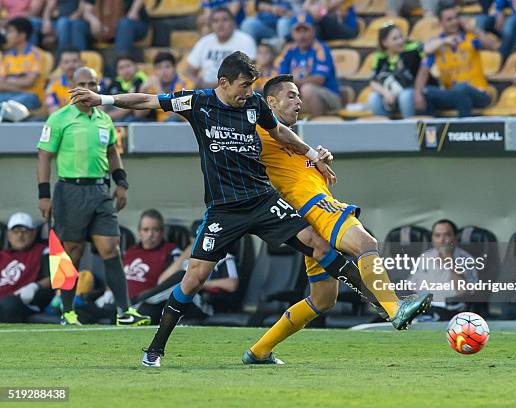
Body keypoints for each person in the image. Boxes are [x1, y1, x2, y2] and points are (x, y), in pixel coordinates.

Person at [69, 51, 432, 367]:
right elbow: (148, 101)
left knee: (319, 246)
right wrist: (102, 98)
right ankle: (155, 348)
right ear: (223, 82)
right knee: (193, 279)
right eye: (244, 85)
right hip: (224, 210)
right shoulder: (197, 102)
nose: (248, 92)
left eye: (252, 85)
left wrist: (311, 154)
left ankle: (384, 304)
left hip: (262, 201)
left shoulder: (256, 106)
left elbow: (281, 134)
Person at [243, 74, 433, 364]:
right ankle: (395, 309)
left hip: (308, 219)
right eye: (291, 95)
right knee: (366, 243)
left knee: (323, 299)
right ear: (271, 102)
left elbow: (294, 167)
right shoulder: (263, 131)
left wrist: (319, 161)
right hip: (317, 208)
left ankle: (259, 351)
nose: (298, 100)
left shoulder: (291, 140)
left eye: (298, 96)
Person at [37, 66, 149, 326]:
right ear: (72, 87)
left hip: (100, 190)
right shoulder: (59, 119)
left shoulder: (104, 119)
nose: (88, 88)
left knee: (111, 248)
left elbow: (112, 152)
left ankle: (124, 312)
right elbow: (44, 156)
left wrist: (121, 183)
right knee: (71, 252)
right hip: (70, 189)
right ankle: (67, 311)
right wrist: (44, 194)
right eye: (83, 83)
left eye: (93, 83)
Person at [414, 1, 499, 117]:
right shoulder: (437, 45)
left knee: (461, 88)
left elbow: (494, 46)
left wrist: (473, 29)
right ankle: (434, 132)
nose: (454, 22)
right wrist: (418, 94)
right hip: (453, 95)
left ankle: (464, 130)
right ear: (440, 23)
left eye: (456, 18)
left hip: (479, 93)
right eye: (449, 19)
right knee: (427, 92)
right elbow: (423, 71)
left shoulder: (470, 39)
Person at [409, 219, 478, 321]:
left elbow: (464, 292)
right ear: (432, 239)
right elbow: (412, 285)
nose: (442, 240)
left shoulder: (467, 259)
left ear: (455, 238)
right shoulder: (425, 257)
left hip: (451, 311)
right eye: (437, 235)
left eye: (447, 235)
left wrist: (449, 260)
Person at [122, 210, 182, 323]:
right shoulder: (130, 251)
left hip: (148, 303)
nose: (150, 234)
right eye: (146, 230)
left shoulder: (171, 251)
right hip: (120, 302)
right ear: (139, 232)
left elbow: (172, 282)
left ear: (162, 232)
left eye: (156, 230)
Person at [276, 13, 342, 116]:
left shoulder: (320, 48)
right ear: (292, 33)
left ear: (313, 31)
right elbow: (280, 78)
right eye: (298, 31)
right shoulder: (289, 50)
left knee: (308, 89)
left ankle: (317, 126)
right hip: (298, 95)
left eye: (305, 30)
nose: (302, 36)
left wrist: (292, 83)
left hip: (328, 96)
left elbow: (319, 80)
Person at [368, 24, 437, 119]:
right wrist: (386, 93)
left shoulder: (412, 49)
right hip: (391, 97)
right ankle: (383, 130)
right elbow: (372, 82)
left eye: (401, 37)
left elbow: (429, 49)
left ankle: (408, 129)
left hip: (414, 93)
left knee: (405, 96)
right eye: (395, 39)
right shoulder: (379, 57)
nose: (400, 41)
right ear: (384, 42)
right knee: (373, 97)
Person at [0, 212, 54, 323]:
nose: (20, 235)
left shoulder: (44, 251)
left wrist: (34, 286)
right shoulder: (2, 255)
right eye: (15, 231)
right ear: (9, 235)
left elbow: (53, 277)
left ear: (33, 233)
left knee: (7, 304)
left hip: (23, 302)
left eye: (24, 231)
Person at [186, 6, 256, 89]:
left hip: (233, 90)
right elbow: (189, 71)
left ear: (233, 22)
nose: (220, 24)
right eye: (215, 21)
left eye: (225, 20)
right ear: (211, 25)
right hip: (206, 90)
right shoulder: (205, 41)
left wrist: (219, 85)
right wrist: (198, 82)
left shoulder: (245, 40)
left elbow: (249, 71)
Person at [0, 17, 45, 110]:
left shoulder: (36, 55)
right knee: (7, 104)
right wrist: (19, 87)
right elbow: (0, 83)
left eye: (10, 31)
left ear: (22, 35)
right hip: (11, 94)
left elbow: (28, 82)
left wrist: (8, 80)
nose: (7, 35)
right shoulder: (7, 57)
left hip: (32, 96)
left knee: (11, 105)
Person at [141, 52, 193, 122]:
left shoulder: (186, 84)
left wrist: (158, 89)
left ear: (174, 68)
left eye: (167, 67)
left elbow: (178, 114)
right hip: (159, 126)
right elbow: (140, 115)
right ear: (155, 71)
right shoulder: (152, 85)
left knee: (173, 119)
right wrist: (142, 92)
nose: (163, 71)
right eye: (159, 67)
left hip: (180, 125)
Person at [103, 54, 149, 122]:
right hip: (113, 118)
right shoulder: (114, 82)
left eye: (128, 66)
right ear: (117, 71)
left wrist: (107, 117)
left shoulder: (142, 82)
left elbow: (137, 111)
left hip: (137, 120)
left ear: (136, 67)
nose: (125, 70)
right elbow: (103, 103)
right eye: (121, 68)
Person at [45, 47, 83, 113]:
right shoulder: (52, 87)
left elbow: (100, 111)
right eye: (66, 62)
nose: (71, 65)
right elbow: (54, 113)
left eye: (75, 61)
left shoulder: (93, 83)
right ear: (60, 65)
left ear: (81, 63)